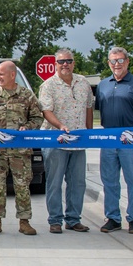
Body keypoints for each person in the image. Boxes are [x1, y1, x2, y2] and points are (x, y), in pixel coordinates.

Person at [95, 46, 133, 234]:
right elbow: (97, 109)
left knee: (132, 181)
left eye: (120, 60)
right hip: (109, 139)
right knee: (109, 181)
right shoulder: (103, 85)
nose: (117, 64)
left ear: (127, 61)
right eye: (113, 61)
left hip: (131, 139)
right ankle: (113, 218)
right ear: (108, 63)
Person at [0, 60, 43, 236]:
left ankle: (24, 222)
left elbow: (38, 118)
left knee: (22, 186)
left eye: (2, 74)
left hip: (20, 152)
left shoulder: (27, 95)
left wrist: (28, 127)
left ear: (12, 75)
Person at [38, 48, 94, 234]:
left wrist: (89, 133)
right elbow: (46, 111)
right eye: (61, 62)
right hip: (56, 141)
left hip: (78, 141)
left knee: (77, 182)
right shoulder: (48, 85)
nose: (65, 65)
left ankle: (73, 219)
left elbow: (88, 108)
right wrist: (60, 125)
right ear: (55, 64)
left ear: (73, 63)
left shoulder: (83, 82)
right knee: (54, 182)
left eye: (68, 61)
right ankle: (55, 220)